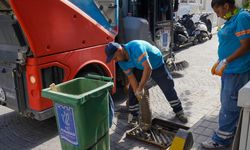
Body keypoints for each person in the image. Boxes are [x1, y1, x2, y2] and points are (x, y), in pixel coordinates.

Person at [201, 0, 250, 149]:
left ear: (226, 6)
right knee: (228, 101)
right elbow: (232, 44)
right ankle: (230, 132)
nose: (218, 15)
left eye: (218, 11)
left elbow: (247, 45)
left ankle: (220, 140)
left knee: (229, 104)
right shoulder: (232, 19)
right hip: (230, 69)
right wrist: (220, 60)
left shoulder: (242, 17)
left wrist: (227, 60)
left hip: (236, 70)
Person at [105, 40, 188, 126]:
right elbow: (131, 77)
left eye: (114, 57)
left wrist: (141, 87)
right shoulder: (121, 62)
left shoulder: (136, 48)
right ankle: (134, 116)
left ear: (119, 50)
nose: (114, 60)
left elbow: (148, 69)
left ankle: (179, 111)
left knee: (167, 86)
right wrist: (137, 91)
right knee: (133, 91)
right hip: (140, 66)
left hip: (156, 63)